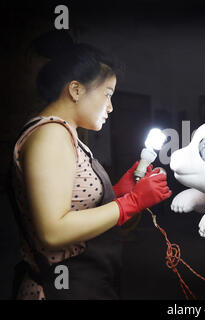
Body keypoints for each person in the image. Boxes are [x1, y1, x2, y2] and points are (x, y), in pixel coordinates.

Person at [9, 31, 172, 300]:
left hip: (83, 280)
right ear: (76, 90)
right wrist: (130, 202)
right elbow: (53, 231)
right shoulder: (50, 135)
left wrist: (120, 191)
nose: (110, 107)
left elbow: (73, 203)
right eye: (107, 94)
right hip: (57, 288)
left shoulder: (66, 134)